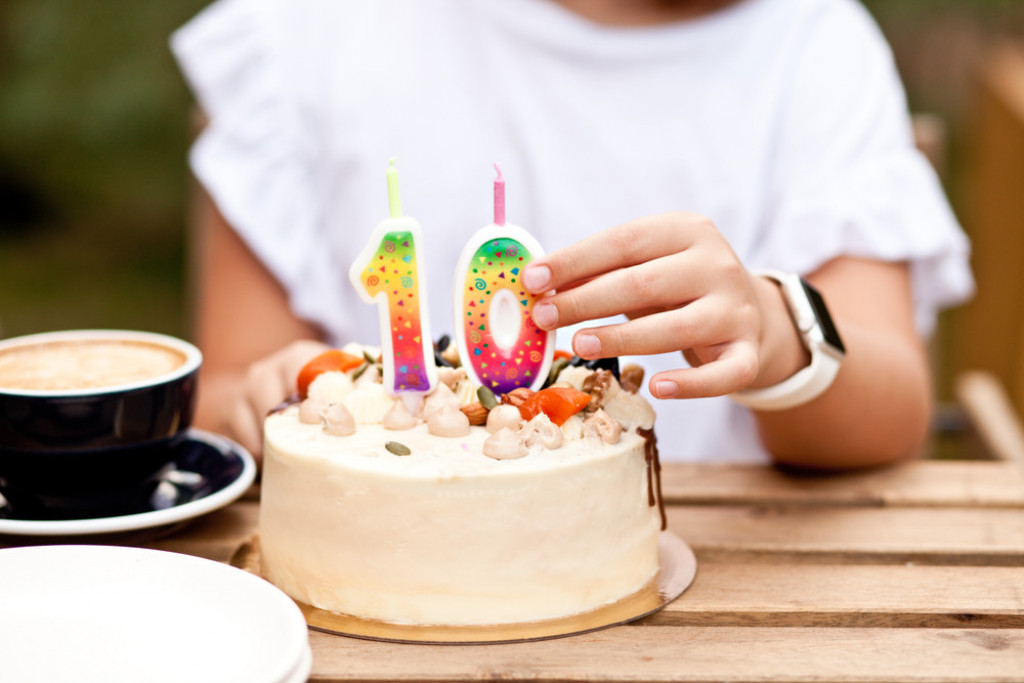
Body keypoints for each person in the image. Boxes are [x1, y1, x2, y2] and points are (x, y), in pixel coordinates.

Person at [171, 0, 972, 469]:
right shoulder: (312, 33)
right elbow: (225, 388)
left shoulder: (816, 41)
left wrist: (776, 331)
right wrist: (264, 397)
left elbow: (893, 413)